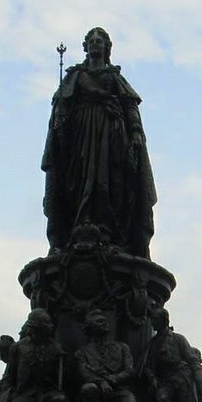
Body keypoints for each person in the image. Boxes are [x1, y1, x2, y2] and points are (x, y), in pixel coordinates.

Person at [41, 26, 157, 259]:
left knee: (110, 181)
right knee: (79, 178)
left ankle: (108, 230)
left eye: (100, 40)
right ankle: (78, 225)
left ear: (107, 47)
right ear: (85, 47)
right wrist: (59, 121)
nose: (95, 43)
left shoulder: (114, 77)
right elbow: (62, 107)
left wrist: (134, 131)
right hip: (82, 135)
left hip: (110, 134)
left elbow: (130, 106)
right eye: (91, 40)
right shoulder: (74, 75)